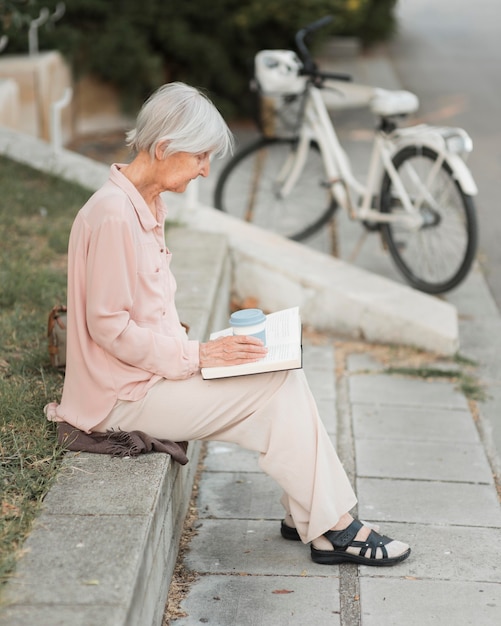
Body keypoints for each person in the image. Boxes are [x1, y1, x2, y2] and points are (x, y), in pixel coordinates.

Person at [45, 82, 410, 567]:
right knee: (275, 384)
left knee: (280, 373)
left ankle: (315, 514)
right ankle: (332, 527)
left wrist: (206, 352)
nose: (205, 169)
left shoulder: (143, 204)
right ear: (163, 149)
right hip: (122, 399)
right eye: (200, 157)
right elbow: (109, 327)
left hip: (146, 377)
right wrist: (197, 356)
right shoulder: (114, 215)